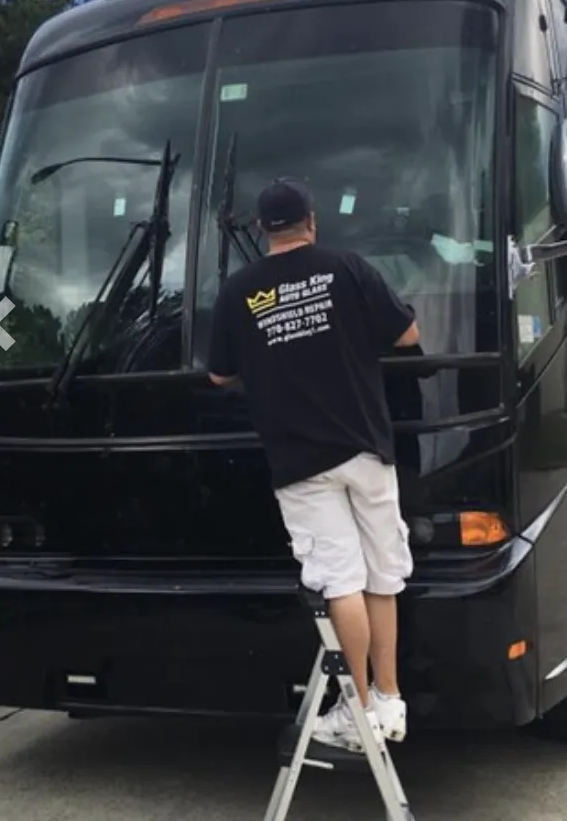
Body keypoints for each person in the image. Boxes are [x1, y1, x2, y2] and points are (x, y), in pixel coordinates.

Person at [206, 176, 421, 753]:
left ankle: (355, 712)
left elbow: (219, 375)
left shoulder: (239, 291)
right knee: (383, 576)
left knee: (341, 582)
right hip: (368, 450)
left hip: (302, 463)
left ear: (261, 230)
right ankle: (389, 698)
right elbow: (409, 334)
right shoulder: (348, 268)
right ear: (312, 221)